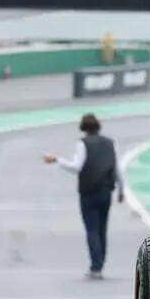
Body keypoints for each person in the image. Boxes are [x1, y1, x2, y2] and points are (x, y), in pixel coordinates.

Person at [43, 113, 123, 279]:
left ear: (83, 127)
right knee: (102, 229)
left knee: (91, 229)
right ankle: (100, 264)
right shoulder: (110, 143)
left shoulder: (82, 143)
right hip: (106, 191)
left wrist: (57, 160)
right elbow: (116, 167)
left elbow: (77, 166)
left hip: (88, 191)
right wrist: (121, 190)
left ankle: (95, 266)